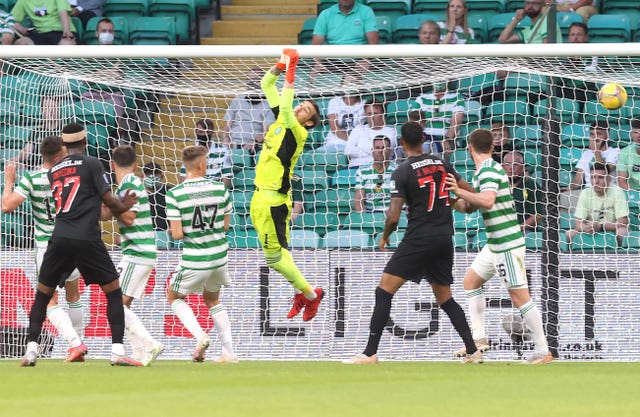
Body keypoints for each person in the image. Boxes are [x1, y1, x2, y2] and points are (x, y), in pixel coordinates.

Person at [343, 121, 481, 364]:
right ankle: (472, 350)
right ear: (424, 140)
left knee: (383, 292)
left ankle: (369, 353)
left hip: (419, 237)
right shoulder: (441, 163)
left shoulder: (403, 171)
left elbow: (394, 215)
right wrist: (457, 201)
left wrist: (385, 236)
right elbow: (469, 196)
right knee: (445, 298)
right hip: (444, 238)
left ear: (402, 143)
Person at [19, 122, 141, 367]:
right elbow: (109, 200)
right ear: (85, 140)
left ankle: (31, 350)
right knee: (113, 292)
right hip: (86, 237)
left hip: (59, 237)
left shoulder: (54, 171)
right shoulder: (93, 164)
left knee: (42, 296)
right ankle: (117, 351)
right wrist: (124, 205)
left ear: (65, 144)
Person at [445, 128, 552, 364]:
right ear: (493, 147)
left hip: (506, 244)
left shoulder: (490, 170)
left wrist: (459, 190)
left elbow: (488, 200)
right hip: (494, 244)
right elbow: (470, 206)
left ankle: (543, 350)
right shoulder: (483, 172)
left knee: (520, 297)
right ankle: (479, 340)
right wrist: (450, 200)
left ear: (469, 148)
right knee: (471, 282)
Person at [249, 48, 324, 322]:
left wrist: (292, 70)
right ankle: (302, 292)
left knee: (274, 259)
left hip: (273, 201)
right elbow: (266, 84)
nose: (300, 107)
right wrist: (280, 65)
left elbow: (286, 106)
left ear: (310, 122)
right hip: (260, 198)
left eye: (306, 109)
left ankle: (311, 295)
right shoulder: (283, 118)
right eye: (301, 104)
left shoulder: (298, 130)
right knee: (280, 253)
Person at [2, 136, 85, 358]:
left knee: (49, 299)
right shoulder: (71, 176)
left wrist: (9, 180)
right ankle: (81, 342)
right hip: (73, 241)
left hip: (47, 247)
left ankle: (74, 342)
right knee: (74, 295)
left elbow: (6, 206)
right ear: (59, 155)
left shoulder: (32, 178)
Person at [165, 145, 237, 363]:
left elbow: (176, 234)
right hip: (220, 256)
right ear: (200, 164)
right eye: (206, 161)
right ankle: (229, 353)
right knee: (212, 299)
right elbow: (225, 227)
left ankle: (200, 336)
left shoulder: (175, 193)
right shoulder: (220, 190)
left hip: (196, 258)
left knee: (174, 296)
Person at [102, 145, 164, 366]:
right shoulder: (128, 185)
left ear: (112, 165)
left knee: (116, 303)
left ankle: (150, 343)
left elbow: (127, 218)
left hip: (138, 252)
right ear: (136, 165)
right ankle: (139, 353)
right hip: (139, 251)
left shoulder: (131, 184)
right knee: (122, 305)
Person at [560, 120, 620, 212]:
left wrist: (596, 151)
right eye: (592, 134)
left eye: (599, 134)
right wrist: (570, 187)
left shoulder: (615, 152)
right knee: (562, 198)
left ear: (607, 136)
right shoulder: (586, 154)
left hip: (607, 192)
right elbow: (577, 179)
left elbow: (606, 171)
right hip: (588, 191)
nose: (595, 137)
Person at [565, 162, 629, 246]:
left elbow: (623, 222)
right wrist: (587, 228)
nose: (596, 181)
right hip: (591, 230)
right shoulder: (585, 193)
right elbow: (578, 224)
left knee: (622, 231)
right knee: (569, 234)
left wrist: (600, 226)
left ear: (608, 179)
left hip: (611, 230)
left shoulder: (617, 192)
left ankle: (621, 257)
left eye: (600, 177)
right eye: (593, 177)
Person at [222, 68, 276, 155]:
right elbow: (228, 125)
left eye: (255, 80)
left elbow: (266, 131)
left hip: (254, 147)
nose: (252, 83)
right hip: (232, 144)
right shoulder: (237, 99)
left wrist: (254, 142)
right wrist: (226, 139)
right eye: (249, 80)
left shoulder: (268, 104)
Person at [409, 80, 464, 161]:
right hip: (424, 137)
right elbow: (414, 122)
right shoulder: (421, 98)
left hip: (444, 138)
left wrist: (447, 140)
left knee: (440, 151)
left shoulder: (457, 97)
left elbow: (456, 122)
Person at [345, 100, 397, 169]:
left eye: (375, 113)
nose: (372, 116)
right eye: (369, 113)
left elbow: (386, 152)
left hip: (380, 168)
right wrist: (374, 152)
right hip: (356, 167)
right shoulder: (358, 129)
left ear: (382, 113)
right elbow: (348, 150)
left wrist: (360, 151)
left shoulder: (391, 132)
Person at [182, 118, 233, 188]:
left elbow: (226, 179)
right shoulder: (189, 152)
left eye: (207, 132)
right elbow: (183, 178)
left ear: (213, 133)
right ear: (195, 132)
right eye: (200, 132)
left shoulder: (223, 151)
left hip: (214, 192)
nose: (204, 135)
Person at [503, 150, 544, 232]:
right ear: (503, 166)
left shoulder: (531, 185)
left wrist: (518, 229)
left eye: (516, 164)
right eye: (508, 164)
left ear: (522, 167)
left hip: (525, 232)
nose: (511, 167)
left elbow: (538, 215)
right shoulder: (497, 185)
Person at [353, 135, 396, 213]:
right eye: (377, 148)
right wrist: (365, 220)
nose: (380, 151)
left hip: (394, 214)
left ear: (390, 151)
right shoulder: (362, 171)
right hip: (371, 215)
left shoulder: (398, 170)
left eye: (383, 148)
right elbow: (358, 201)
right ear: (372, 151)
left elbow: (397, 199)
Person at [317, 88, 365, 153]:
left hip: (356, 143)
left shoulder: (364, 104)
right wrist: (351, 140)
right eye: (347, 83)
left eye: (353, 82)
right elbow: (334, 128)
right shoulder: (334, 102)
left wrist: (356, 142)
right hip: (334, 142)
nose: (350, 86)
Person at [10, 0, 78, 45]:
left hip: (61, 32)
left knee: (67, 45)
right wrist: (22, 29)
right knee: (20, 44)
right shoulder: (23, 1)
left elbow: (63, 12)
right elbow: (10, 20)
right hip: (41, 34)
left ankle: (60, 67)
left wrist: (66, 31)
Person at [312, 0, 378, 45]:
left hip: (359, 59)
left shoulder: (366, 12)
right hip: (332, 60)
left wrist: (366, 60)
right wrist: (318, 62)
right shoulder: (325, 14)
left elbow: (373, 43)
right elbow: (316, 44)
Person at [143, 161, 169, 230]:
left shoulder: (170, 192)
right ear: (143, 176)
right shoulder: (138, 194)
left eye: (155, 173)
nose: (152, 176)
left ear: (162, 175)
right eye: (148, 173)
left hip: (166, 234)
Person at [616, 120, 640, 191]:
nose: (639, 135)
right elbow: (621, 182)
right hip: (633, 192)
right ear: (631, 134)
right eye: (635, 132)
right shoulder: (625, 152)